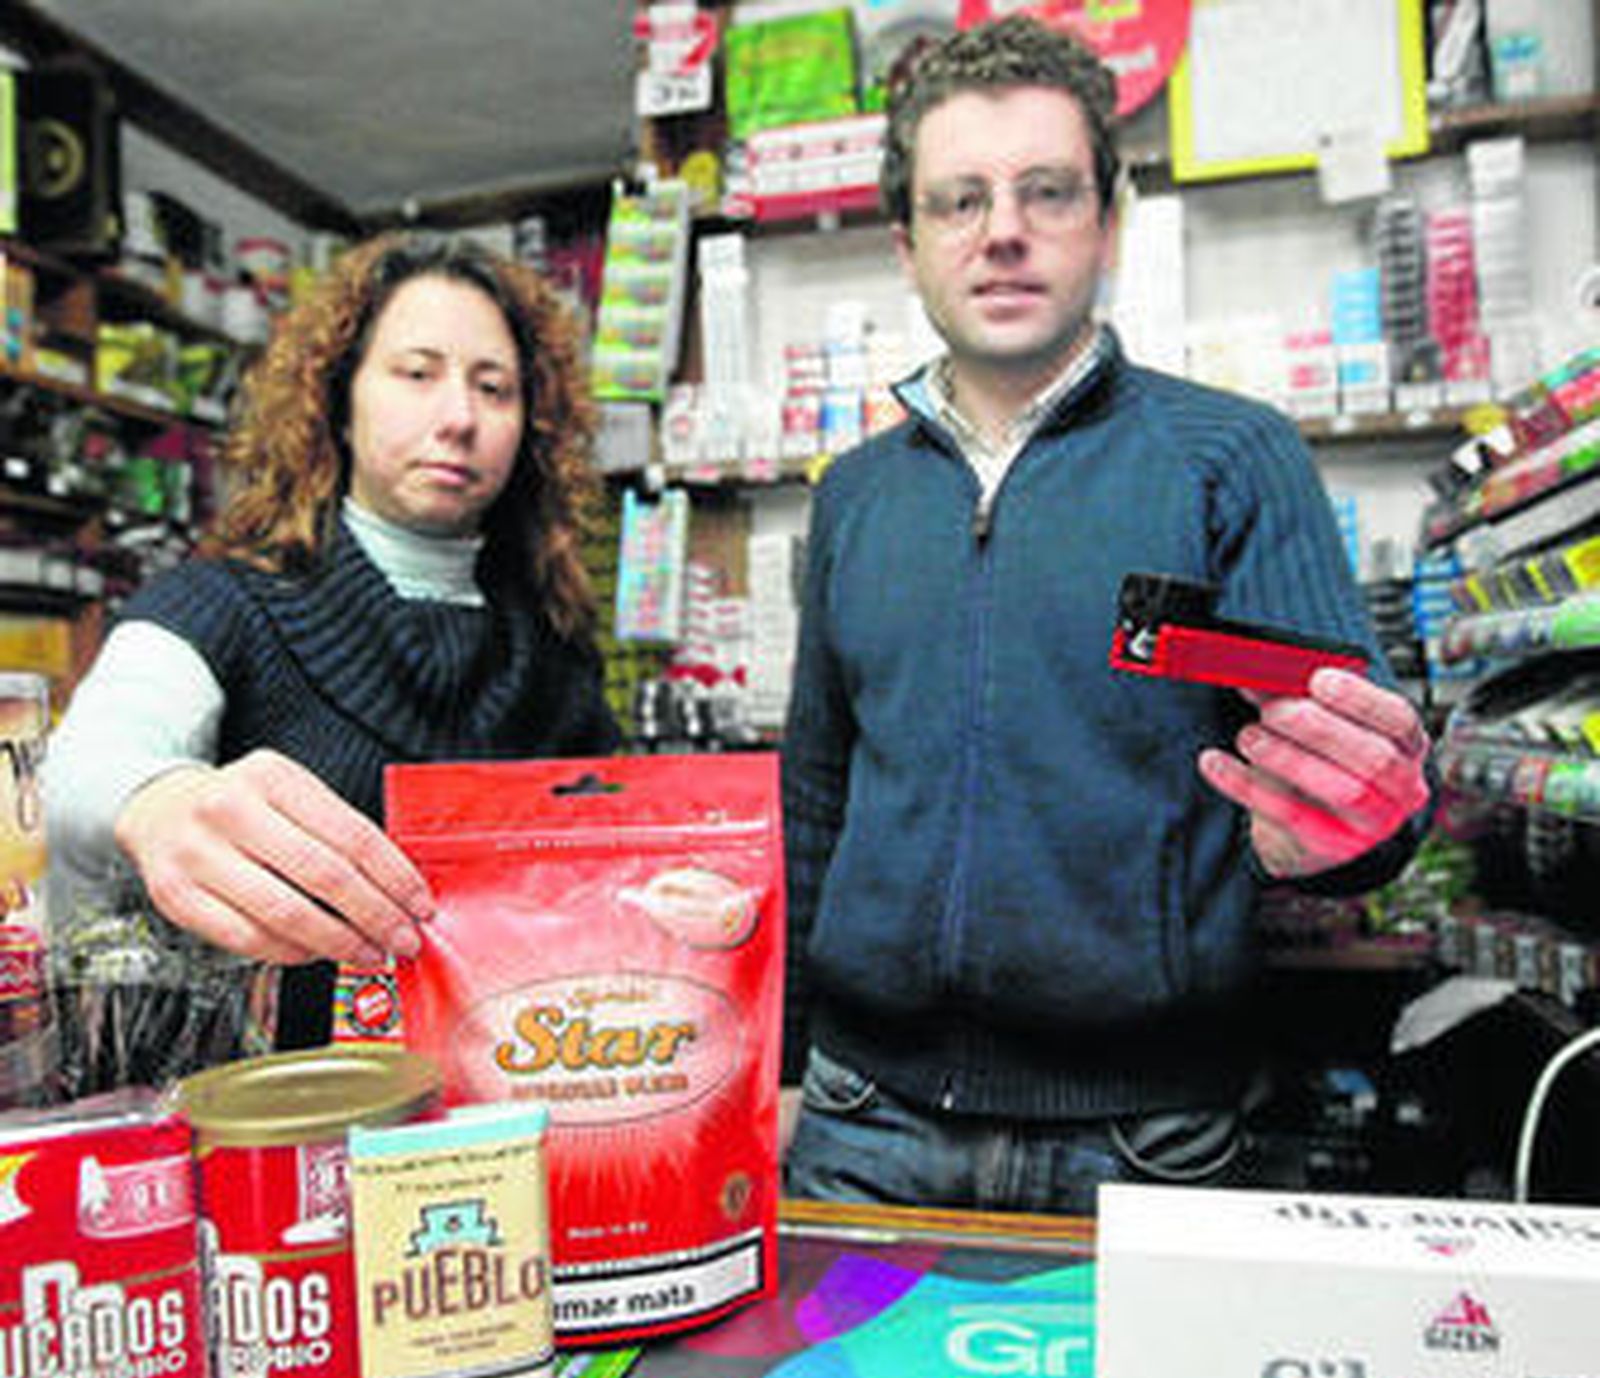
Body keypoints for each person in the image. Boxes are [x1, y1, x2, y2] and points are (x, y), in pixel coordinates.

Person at [779, 17, 1434, 1214]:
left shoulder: (1228, 460)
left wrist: (1364, 825)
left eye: (1046, 191)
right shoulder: (855, 498)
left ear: (1110, 223)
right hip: (858, 1121)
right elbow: (815, 798)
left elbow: (1358, 780)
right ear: (906, 242)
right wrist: (782, 1070)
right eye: (959, 200)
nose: (1004, 231)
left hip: (1143, 1140)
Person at [47, 232, 618, 1045]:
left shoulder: (555, 656)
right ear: (337, 398)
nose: (458, 417)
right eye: (416, 374)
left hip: (503, 1126)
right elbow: (88, 759)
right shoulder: (220, 605)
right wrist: (159, 801)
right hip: (279, 1141)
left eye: (495, 388)